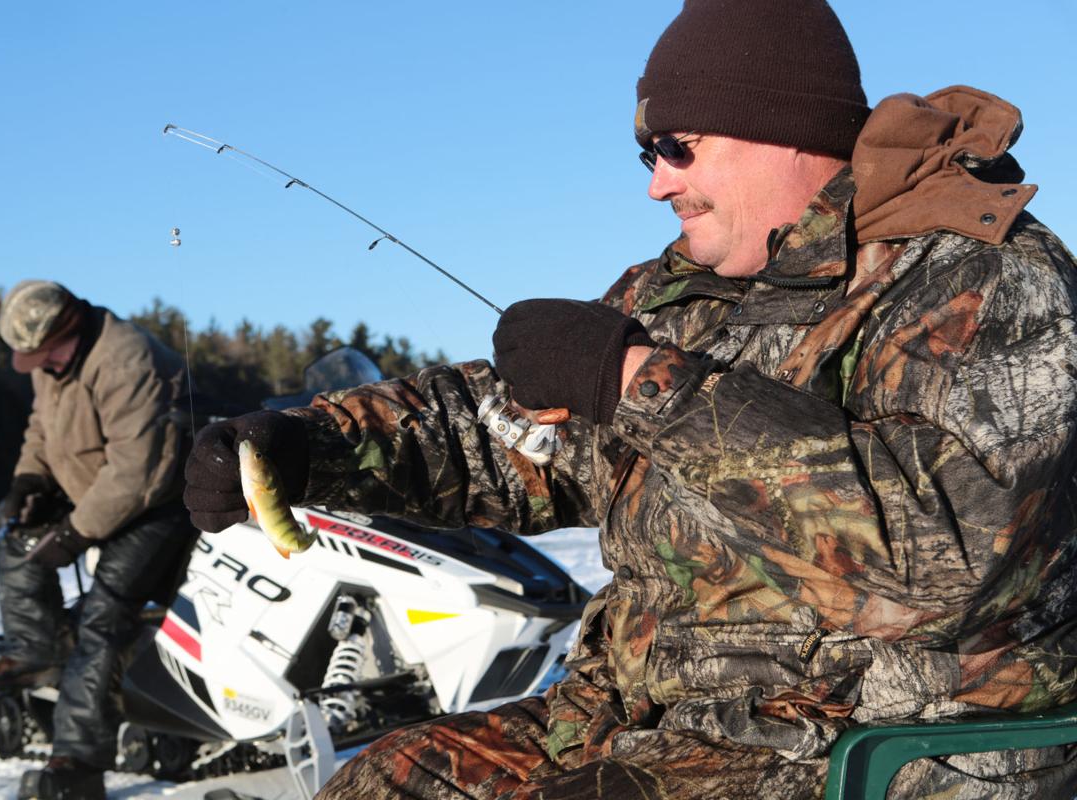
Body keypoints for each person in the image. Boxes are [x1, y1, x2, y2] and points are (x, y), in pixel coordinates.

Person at [184, 1, 1077, 797]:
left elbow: (953, 564)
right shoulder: (677, 296)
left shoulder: (980, 276)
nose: (657, 182)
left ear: (782, 127)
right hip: (643, 721)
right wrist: (307, 447)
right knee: (381, 780)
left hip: (875, 744)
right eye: (647, 154)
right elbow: (507, 437)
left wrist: (637, 382)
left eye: (678, 148)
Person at [0, 279, 196, 800]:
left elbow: (138, 472)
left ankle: (78, 762)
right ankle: (37, 650)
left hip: (160, 504)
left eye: (44, 356)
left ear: (70, 328)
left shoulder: (126, 360)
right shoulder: (55, 362)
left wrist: (75, 533)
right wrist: (28, 482)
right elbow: (42, 428)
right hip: (94, 490)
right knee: (13, 531)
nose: (40, 367)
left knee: (104, 617)